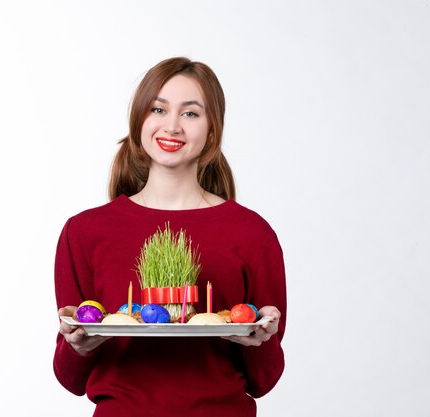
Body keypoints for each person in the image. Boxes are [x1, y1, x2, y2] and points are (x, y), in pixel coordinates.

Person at [53, 57, 286, 417]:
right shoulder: (85, 232)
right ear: (139, 122)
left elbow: (264, 380)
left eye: (191, 113)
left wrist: (260, 341)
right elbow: (71, 379)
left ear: (212, 130)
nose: (172, 126)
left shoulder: (252, 233)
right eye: (158, 109)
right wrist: (79, 346)